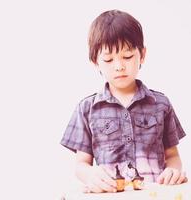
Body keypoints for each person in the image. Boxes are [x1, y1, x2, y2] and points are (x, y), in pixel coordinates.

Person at [60, 9, 188, 193]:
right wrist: (91, 175)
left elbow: (173, 156)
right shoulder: (87, 109)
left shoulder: (161, 104)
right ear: (96, 62)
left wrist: (173, 171)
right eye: (109, 59)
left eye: (127, 57)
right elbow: (81, 164)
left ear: (142, 55)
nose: (119, 66)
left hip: (154, 195)